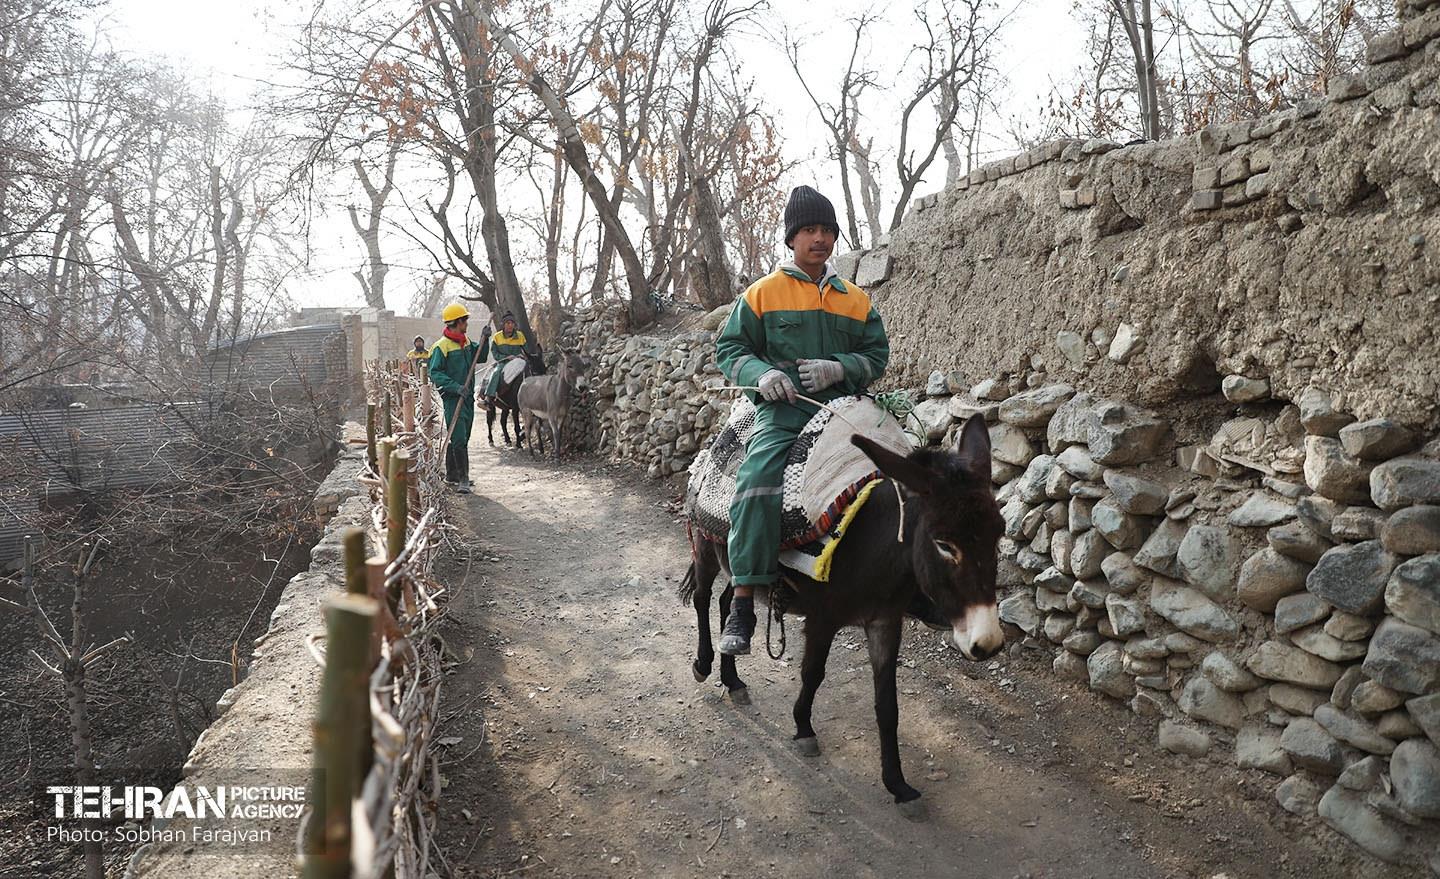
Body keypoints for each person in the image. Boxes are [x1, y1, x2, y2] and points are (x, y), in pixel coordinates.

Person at [713, 185, 890, 655]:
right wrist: (762, 373)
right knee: (757, 482)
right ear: (792, 238)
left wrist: (842, 367)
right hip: (784, 412)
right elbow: (730, 350)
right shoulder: (761, 294)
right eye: (809, 230)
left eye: (827, 230)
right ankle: (744, 601)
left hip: (843, 411)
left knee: (900, 469)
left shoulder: (856, 300)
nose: (820, 238)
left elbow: (875, 355)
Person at [428, 303, 488, 493]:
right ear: (457, 322)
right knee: (459, 438)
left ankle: (452, 474)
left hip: (467, 397)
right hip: (453, 398)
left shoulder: (467, 342)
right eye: (465, 320)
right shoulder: (441, 347)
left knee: (462, 436)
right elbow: (435, 373)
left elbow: (481, 357)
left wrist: (486, 339)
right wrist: (455, 387)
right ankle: (463, 479)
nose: (467, 323)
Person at [483, 313, 528, 399]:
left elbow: (526, 351)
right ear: (503, 325)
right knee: (496, 373)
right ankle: (489, 396)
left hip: (519, 362)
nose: (510, 325)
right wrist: (505, 357)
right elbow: (495, 353)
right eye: (508, 323)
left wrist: (522, 355)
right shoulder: (497, 337)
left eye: (512, 323)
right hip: (503, 362)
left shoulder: (520, 336)